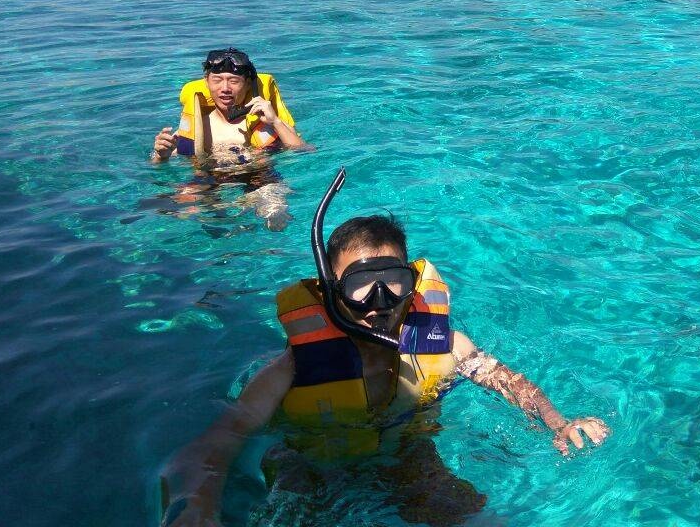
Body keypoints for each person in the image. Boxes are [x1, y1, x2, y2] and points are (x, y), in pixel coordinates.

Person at [159, 179, 609, 526]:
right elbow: (219, 441)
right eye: (359, 286)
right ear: (331, 290)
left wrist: (559, 422)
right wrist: (196, 503)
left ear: (412, 283)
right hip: (313, 465)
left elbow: (509, 383)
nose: (378, 304)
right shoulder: (292, 369)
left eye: (392, 283)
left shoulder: (446, 345)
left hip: (408, 455)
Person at [150, 47, 309, 230]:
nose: (225, 89)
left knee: (274, 213)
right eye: (217, 80)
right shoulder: (197, 126)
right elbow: (162, 164)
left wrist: (275, 122)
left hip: (259, 177)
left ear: (248, 84)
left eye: (234, 81)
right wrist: (161, 155)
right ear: (206, 82)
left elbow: (304, 151)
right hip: (209, 179)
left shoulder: (268, 121)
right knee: (170, 211)